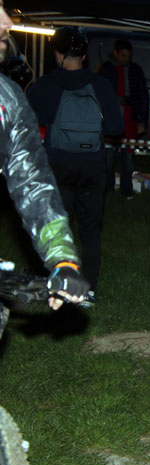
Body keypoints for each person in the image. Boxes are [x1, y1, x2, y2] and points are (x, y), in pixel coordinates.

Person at [0, 4, 89, 310]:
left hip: (59, 162)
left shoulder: (9, 98)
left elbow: (32, 182)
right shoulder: (99, 84)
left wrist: (63, 260)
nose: (7, 21)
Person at [27, 27, 123, 303]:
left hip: (58, 164)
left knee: (59, 229)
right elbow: (116, 127)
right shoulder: (100, 85)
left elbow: (30, 123)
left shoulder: (45, 85)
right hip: (92, 166)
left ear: (57, 54)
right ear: (83, 55)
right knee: (91, 232)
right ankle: (88, 291)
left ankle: (58, 287)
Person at [98, 39, 149, 199]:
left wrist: (143, 120)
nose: (126, 59)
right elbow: (99, 94)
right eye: (123, 55)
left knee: (128, 155)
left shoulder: (135, 70)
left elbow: (143, 96)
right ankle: (108, 190)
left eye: (128, 56)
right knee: (108, 156)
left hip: (130, 115)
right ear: (116, 53)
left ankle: (127, 190)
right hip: (111, 115)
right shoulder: (106, 69)